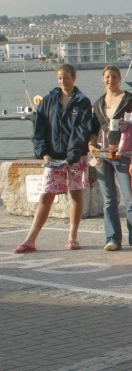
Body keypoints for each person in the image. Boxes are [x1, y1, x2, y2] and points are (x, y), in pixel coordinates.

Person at [14, 64, 92, 254]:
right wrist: (44, 153)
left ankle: (72, 237)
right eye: (59, 78)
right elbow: (39, 130)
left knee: (75, 194)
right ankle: (30, 239)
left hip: (75, 158)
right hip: (53, 157)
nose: (63, 81)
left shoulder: (82, 102)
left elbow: (81, 131)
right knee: (46, 195)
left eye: (66, 77)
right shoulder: (48, 101)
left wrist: (71, 157)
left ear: (74, 77)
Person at [89, 66, 132, 252]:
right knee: (109, 199)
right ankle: (112, 238)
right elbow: (94, 129)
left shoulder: (130, 100)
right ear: (103, 79)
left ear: (120, 79)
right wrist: (91, 146)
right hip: (102, 156)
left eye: (115, 77)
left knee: (130, 199)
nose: (111, 80)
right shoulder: (98, 103)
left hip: (123, 154)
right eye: (108, 77)